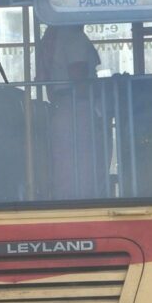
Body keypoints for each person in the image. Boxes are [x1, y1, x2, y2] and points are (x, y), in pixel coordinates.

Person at [35, 24, 105, 199]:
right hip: (78, 109)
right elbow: (79, 76)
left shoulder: (52, 37)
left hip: (62, 107)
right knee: (84, 168)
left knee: (64, 168)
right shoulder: (74, 37)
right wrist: (105, 90)